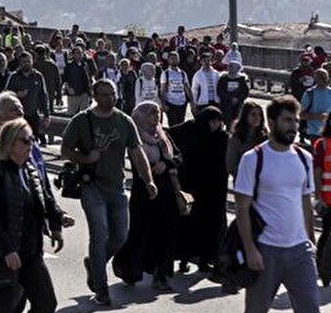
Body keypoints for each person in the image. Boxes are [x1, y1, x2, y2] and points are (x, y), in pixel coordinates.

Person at [60, 78, 157, 306]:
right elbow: (65, 150)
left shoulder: (123, 121)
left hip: (117, 187)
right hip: (92, 186)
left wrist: (148, 180)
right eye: (104, 94)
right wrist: (85, 158)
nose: (109, 98)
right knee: (99, 233)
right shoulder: (82, 121)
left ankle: (94, 263)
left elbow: (137, 153)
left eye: (112, 94)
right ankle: (101, 288)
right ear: (95, 96)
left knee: (120, 236)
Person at [233, 96, 320, 313]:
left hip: (300, 251)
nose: (293, 126)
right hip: (265, 251)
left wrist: (311, 243)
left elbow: (305, 203)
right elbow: (242, 208)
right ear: (271, 122)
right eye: (287, 120)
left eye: (296, 121)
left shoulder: (304, 158)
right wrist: (250, 249)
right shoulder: (253, 159)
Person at [0, 118, 63, 313]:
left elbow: (44, 199)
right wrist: (7, 249)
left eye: (32, 140)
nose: (31, 145)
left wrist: (56, 225)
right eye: (26, 141)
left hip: (31, 252)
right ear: (11, 143)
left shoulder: (30, 170)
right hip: (6, 255)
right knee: (2, 312)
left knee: (46, 303)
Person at [111, 101, 181, 291]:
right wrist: (149, 170)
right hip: (145, 193)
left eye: (157, 113)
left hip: (166, 193)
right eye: (151, 114)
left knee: (165, 234)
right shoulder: (134, 137)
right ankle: (129, 269)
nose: (155, 118)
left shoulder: (163, 136)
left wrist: (166, 165)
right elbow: (134, 160)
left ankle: (161, 275)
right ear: (139, 116)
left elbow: (178, 157)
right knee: (140, 233)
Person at [170, 105, 229, 275]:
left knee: (213, 226)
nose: (216, 125)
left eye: (219, 121)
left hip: (215, 190)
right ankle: (184, 259)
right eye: (212, 121)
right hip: (192, 187)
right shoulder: (189, 130)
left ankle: (208, 260)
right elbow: (169, 135)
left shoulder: (222, 138)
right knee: (189, 224)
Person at [310, 117, 331, 286]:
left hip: (326, 197)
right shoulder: (322, 144)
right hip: (327, 198)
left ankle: (323, 266)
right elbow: (317, 171)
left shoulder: (321, 144)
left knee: (326, 232)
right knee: (326, 232)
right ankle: (322, 266)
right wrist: (317, 197)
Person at [227, 100, 269, 179]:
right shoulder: (236, 139)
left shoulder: (265, 137)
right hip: (243, 180)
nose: (257, 118)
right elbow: (230, 165)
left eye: (259, 115)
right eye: (253, 114)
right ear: (245, 116)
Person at [298, 68, 331, 144]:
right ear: (315, 79)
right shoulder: (309, 94)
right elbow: (301, 115)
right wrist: (317, 116)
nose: (324, 79)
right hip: (315, 134)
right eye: (321, 77)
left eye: (325, 76)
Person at [159, 51, 192, 127]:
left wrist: (192, 102)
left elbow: (187, 88)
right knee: (173, 124)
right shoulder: (165, 73)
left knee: (181, 124)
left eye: (176, 58)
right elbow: (162, 90)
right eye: (172, 58)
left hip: (182, 102)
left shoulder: (182, 73)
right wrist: (163, 104)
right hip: (171, 103)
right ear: (168, 60)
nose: (174, 60)